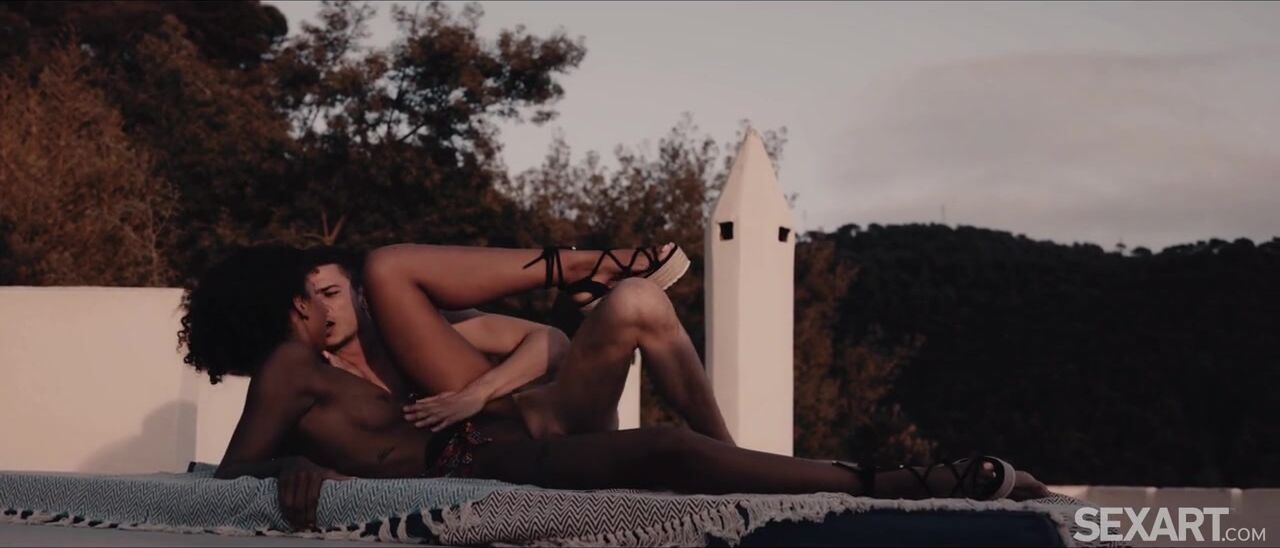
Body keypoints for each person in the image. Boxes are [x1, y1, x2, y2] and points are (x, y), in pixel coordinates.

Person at [179, 244, 1049, 532]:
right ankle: (904, 482)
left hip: (500, 436)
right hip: (478, 465)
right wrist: (297, 472)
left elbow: (550, 343)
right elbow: (233, 477)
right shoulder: (290, 369)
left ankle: (899, 481)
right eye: (304, 296)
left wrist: (477, 393)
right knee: (667, 448)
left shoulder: (371, 342)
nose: (319, 305)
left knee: (392, 265)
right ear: (278, 309)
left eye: (324, 291)